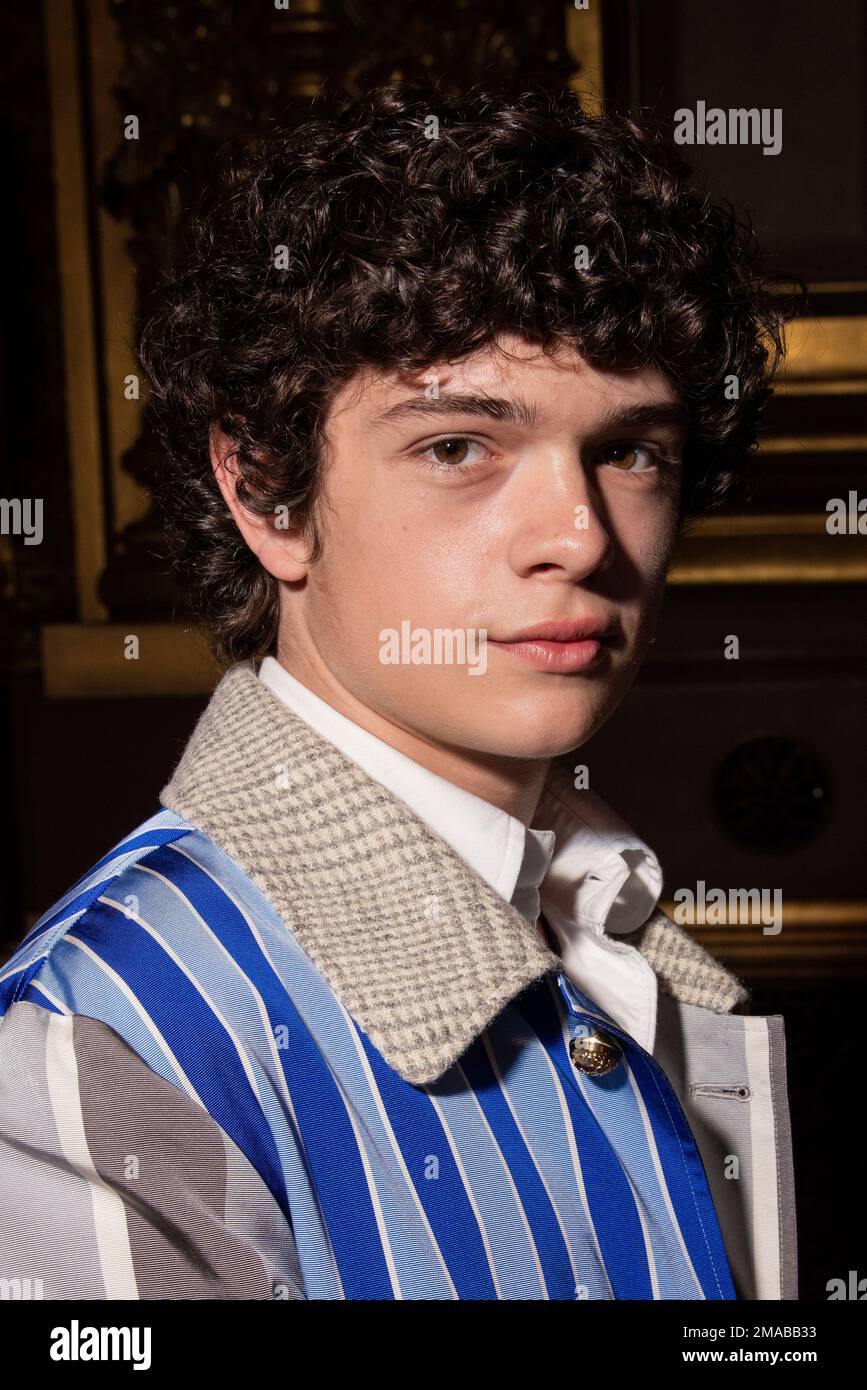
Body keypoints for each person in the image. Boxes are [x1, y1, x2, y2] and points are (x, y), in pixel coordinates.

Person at [0, 79, 801, 1300]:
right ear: (267, 488)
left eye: (628, 450)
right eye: (459, 447)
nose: (580, 537)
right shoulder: (93, 1050)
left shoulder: (614, 935)